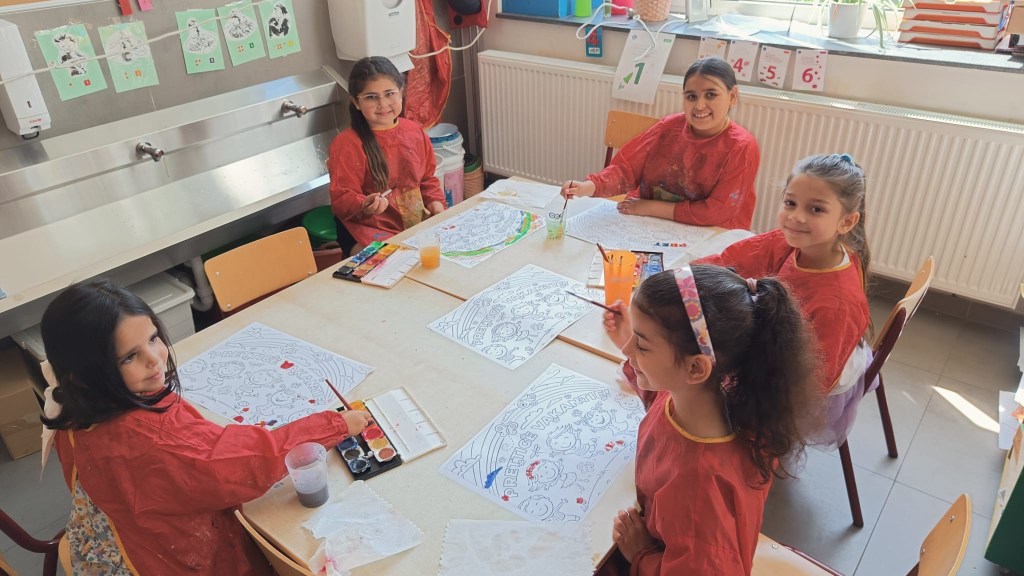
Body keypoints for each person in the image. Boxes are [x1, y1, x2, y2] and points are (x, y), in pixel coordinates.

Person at [40, 280, 373, 575]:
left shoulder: (73, 405)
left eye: (153, 338)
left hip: (111, 534)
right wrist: (335, 424)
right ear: (87, 375)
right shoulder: (154, 442)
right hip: (165, 561)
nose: (154, 359)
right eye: (129, 357)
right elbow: (248, 463)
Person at [601, 265, 818, 575]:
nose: (626, 349)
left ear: (695, 368)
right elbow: (657, 399)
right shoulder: (708, 397)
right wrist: (635, 344)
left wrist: (642, 554)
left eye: (642, 344)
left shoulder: (699, 490)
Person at [695, 153, 870, 446]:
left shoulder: (838, 304)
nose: (796, 217)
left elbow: (810, 382)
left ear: (847, 222)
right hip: (774, 354)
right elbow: (728, 261)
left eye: (816, 209)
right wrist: (681, 279)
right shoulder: (792, 241)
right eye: (790, 203)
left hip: (789, 390)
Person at [560, 57, 760, 230]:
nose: (699, 105)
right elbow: (626, 169)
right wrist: (589, 187)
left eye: (711, 94)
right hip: (650, 223)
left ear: (732, 96)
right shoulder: (668, 127)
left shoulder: (741, 147)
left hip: (709, 230)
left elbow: (716, 211)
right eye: (691, 96)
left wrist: (650, 207)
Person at [328, 56, 445, 254]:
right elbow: (341, 199)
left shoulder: (414, 131)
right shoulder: (346, 144)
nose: (383, 104)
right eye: (371, 97)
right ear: (356, 102)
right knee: (398, 265)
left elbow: (427, 179)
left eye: (389, 94)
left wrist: (436, 205)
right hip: (368, 228)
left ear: (401, 92)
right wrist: (365, 204)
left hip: (411, 221)